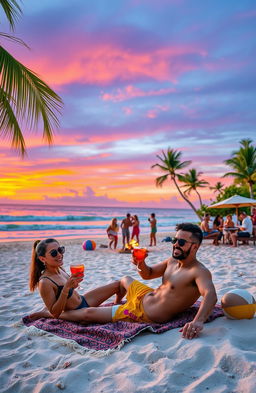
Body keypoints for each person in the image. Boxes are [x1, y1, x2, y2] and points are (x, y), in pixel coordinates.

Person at [34, 223, 216, 340]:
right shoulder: (172, 261)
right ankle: (118, 300)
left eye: (181, 242)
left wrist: (198, 321)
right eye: (175, 240)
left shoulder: (198, 272)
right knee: (124, 279)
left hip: (145, 311)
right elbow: (148, 274)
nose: (175, 244)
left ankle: (47, 314)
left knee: (88, 314)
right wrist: (140, 264)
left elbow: (210, 295)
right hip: (145, 295)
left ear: (195, 247)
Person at [29, 238, 123, 320]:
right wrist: (66, 289)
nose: (59, 255)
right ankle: (46, 314)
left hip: (83, 300)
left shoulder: (59, 269)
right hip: (78, 312)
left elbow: (68, 292)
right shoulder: (45, 282)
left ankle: (117, 302)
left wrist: (73, 286)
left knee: (118, 285)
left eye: (60, 250)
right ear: (42, 259)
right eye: (54, 253)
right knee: (113, 312)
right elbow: (55, 313)